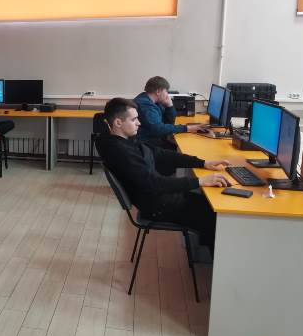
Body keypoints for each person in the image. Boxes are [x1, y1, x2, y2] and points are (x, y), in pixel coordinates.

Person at [96, 98, 230, 250]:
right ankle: (216, 258)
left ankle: (209, 251)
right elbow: (153, 183)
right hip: (157, 206)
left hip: (160, 197)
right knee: (214, 213)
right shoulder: (120, 151)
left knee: (210, 204)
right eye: (134, 119)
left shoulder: (125, 140)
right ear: (118, 123)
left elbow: (159, 154)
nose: (139, 123)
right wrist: (200, 181)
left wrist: (203, 163)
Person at [134, 76, 206, 149]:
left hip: (154, 140)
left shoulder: (154, 102)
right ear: (158, 91)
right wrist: (187, 128)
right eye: (166, 91)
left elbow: (169, 122)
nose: (167, 95)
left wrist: (170, 106)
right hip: (146, 146)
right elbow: (159, 129)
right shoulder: (145, 105)